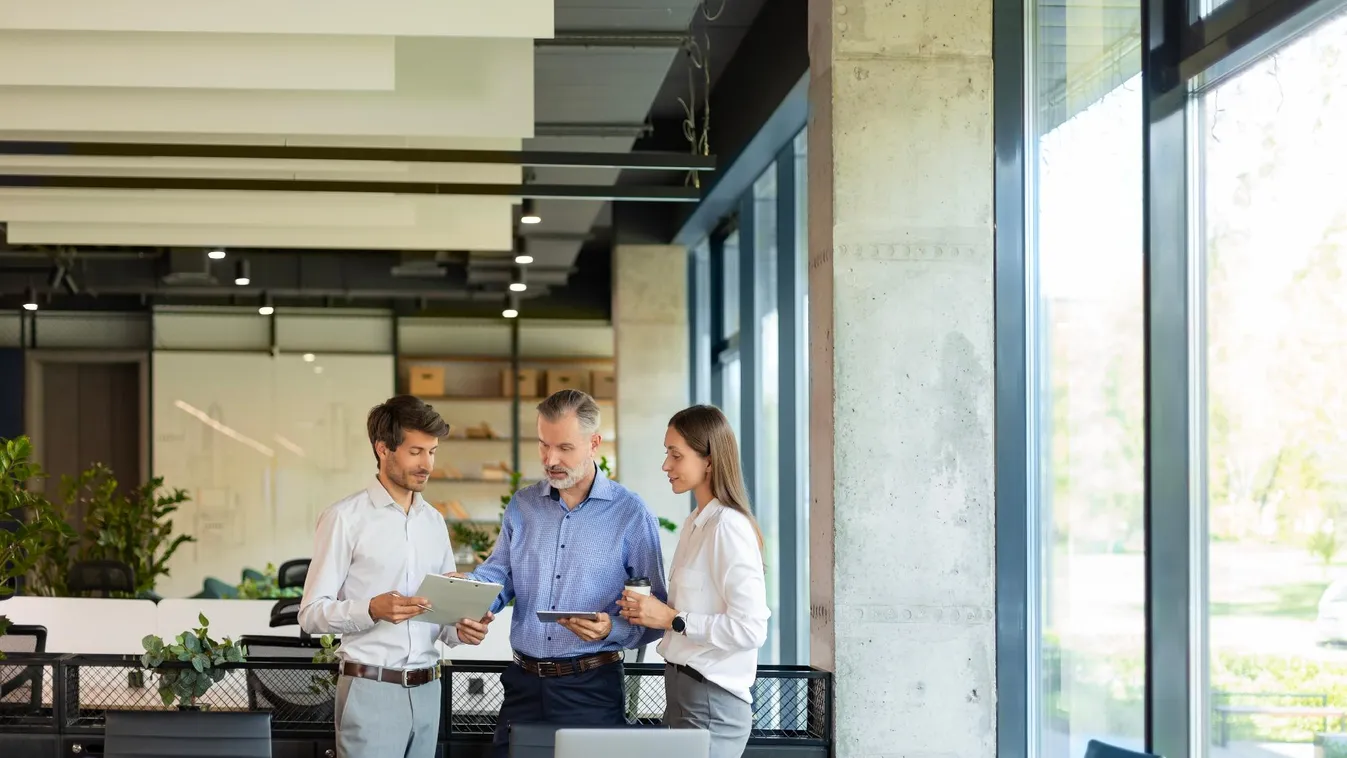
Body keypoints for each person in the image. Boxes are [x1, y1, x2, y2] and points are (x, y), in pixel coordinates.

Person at [459, 389, 667, 758]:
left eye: (564, 448)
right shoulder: (522, 505)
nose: (550, 459)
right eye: (543, 445)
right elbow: (499, 574)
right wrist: (470, 598)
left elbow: (656, 613)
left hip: (592, 689)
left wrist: (611, 629)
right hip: (522, 686)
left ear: (594, 444)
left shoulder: (631, 515)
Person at [298, 395, 495, 758]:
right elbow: (311, 613)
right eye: (416, 451)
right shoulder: (344, 518)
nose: (428, 464)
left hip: (428, 690)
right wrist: (371, 609)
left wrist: (464, 628)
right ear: (383, 448)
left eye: (433, 452)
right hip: (370, 688)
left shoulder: (434, 522)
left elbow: (443, 623)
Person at [618, 404, 769, 758]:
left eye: (676, 455)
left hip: (711, 702)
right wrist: (649, 612)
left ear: (710, 461)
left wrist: (672, 619)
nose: (665, 465)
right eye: (666, 454)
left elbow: (750, 630)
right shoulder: (695, 523)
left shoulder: (728, 528)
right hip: (683, 694)